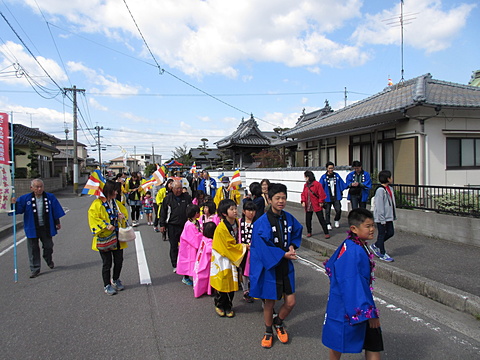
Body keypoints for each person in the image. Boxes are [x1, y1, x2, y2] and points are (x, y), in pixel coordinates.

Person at [322, 208, 383, 359]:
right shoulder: (355, 251)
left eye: (373, 225)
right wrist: (369, 312)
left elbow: (331, 266)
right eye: (368, 226)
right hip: (354, 303)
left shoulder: (350, 244)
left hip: (342, 301)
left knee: (338, 339)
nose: (372, 229)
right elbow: (354, 284)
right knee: (372, 341)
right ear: (354, 229)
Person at [249, 183, 303, 348]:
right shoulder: (262, 221)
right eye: (277, 198)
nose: (281, 201)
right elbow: (260, 247)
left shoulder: (288, 218)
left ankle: (278, 322)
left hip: (286, 266)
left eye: (283, 198)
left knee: (291, 302)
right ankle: (268, 331)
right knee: (270, 302)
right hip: (270, 267)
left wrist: (292, 245)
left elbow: (296, 231)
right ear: (270, 199)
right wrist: (282, 254)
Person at [11, 179, 65, 278]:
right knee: (33, 249)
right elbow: (18, 209)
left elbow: (55, 211)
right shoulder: (25, 198)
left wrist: (57, 222)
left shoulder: (50, 197)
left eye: (41, 186)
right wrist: (13, 203)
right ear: (31, 188)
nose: (39, 189)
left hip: (46, 227)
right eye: (37, 187)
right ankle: (35, 269)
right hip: (32, 227)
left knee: (48, 246)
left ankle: (48, 258)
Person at [88, 180, 129, 295]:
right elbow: (93, 219)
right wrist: (106, 225)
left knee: (119, 260)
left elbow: (124, 213)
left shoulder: (116, 203)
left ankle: (116, 279)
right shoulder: (97, 204)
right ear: (109, 191)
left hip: (117, 237)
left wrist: (121, 216)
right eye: (115, 191)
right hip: (104, 237)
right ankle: (107, 284)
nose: (116, 193)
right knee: (107, 262)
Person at [210, 199, 248, 318]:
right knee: (223, 283)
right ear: (224, 213)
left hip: (232, 257)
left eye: (235, 208)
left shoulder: (237, 222)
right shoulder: (221, 228)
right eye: (231, 209)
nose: (235, 211)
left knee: (232, 283)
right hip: (222, 258)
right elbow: (227, 246)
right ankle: (219, 305)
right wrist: (243, 247)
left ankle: (229, 305)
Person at [159, 180, 192, 272]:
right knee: (173, 246)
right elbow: (163, 212)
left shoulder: (187, 197)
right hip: (172, 225)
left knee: (185, 245)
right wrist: (162, 224)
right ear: (172, 188)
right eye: (177, 188)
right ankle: (175, 264)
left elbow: (191, 209)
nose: (179, 190)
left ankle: (184, 262)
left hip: (185, 225)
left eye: (181, 188)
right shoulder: (168, 198)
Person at [370, 170, 397, 262]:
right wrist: (382, 219)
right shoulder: (380, 190)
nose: (392, 178)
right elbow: (380, 205)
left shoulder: (390, 189)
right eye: (390, 177)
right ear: (387, 178)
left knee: (390, 232)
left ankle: (376, 245)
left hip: (389, 216)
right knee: (381, 234)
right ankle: (382, 252)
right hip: (382, 217)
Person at [176, 204, 203, 286]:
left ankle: (191, 277)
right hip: (188, 246)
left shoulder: (194, 222)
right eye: (198, 212)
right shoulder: (189, 224)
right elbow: (194, 237)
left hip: (191, 246)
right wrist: (201, 236)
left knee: (192, 262)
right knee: (188, 263)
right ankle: (186, 278)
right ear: (195, 213)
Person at [301, 170, 330, 239]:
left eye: (305, 177)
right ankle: (309, 231)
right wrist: (303, 201)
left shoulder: (317, 184)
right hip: (308, 204)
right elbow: (303, 194)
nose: (305, 178)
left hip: (316, 204)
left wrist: (321, 201)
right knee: (308, 219)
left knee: (321, 219)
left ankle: (326, 232)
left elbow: (321, 194)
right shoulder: (306, 185)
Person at [320, 162, 347, 230]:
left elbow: (342, 184)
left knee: (338, 210)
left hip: (336, 196)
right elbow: (320, 187)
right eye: (329, 168)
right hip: (327, 197)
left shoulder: (337, 176)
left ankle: (336, 220)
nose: (331, 169)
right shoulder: (323, 177)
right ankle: (328, 223)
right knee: (327, 211)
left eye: (332, 168)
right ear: (327, 168)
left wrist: (348, 185)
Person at [239, 200, 257, 303]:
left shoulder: (257, 223)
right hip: (242, 251)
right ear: (244, 211)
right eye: (249, 210)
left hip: (252, 252)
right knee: (243, 271)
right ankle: (245, 290)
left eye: (253, 210)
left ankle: (252, 289)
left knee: (251, 271)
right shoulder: (239, 222)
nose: (251, 213)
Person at [193, 221, 216, 298]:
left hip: (199, 261)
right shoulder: (210, 242)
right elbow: (210, 250)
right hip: (205, 263)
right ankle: (208, 290)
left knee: (199, 277)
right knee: (206, 278)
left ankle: (199, 290)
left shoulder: (204, 239)